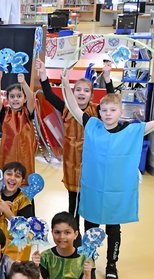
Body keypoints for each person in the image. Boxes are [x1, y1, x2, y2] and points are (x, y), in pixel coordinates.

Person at [62, 72, 154, 279]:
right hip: (94, 189)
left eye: (112, 110)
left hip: (116, 191)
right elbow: (73, 107)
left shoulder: (130, 130)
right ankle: (90, 263)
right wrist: (65, 85)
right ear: (99, 111)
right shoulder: (92, 125)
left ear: (120, 111)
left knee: (113, 228)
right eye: (104, 110)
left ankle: (111, 266)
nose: (108, 114)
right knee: (91, 227)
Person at [35, 58, 114, 221]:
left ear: (91, 95)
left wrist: (107, 79)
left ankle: (90, 229)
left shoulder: (97, 110)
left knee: (90, 201)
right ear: (72, 92)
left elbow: (112, 100)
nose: (81, 93)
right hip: (72, 162)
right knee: (73, 202)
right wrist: (43, 73)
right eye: (78, 89)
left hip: (91, 162)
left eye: (86, 90)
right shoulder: (67, 108)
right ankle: (74, 230)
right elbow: (49, 95)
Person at [0, 161, 33, 261]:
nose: (12, 178)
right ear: (2, 176)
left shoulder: (25, 200)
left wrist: (7, 211)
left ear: (22, 181)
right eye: (9, 174)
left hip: (14, 246)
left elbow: (22, 230)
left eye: (17, 176)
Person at [0, 71, 37, 184]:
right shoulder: (4, 113)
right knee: (8, 179)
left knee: (25, 179)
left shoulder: (27, 112)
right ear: (7, 100)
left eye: (19, 96)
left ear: (24, 99)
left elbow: (31, 98)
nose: (15, 99)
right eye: (12, 97)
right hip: (8, 154)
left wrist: (23, 83)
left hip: (25, 155)